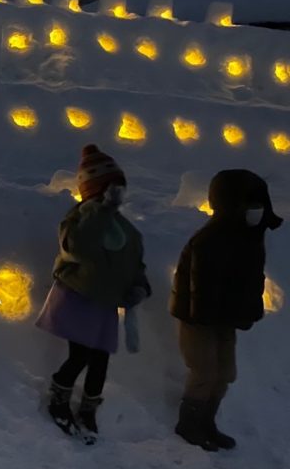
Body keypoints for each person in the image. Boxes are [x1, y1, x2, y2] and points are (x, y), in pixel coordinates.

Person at [36, 145, 151, 444]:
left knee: (101, 359)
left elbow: (134, 261)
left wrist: (139, 286)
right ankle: (58, 399)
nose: (117, 195)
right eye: (111, 189)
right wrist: (101, 211)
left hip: (106, 302)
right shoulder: (79, 219)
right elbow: (77, 246)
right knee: (81, 354)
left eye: (119, 189)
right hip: (80, 296)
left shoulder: (126, 229)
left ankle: (89, 409)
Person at [170, 169, 282, 451]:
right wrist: (207, 318)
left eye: (260, 205)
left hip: (225, 319)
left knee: (225, 373)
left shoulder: (251, 239)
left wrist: (249, 311)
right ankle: (189, 424)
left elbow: (252, 282)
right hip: (199, 320)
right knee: (204, 371)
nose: (257, 212)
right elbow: (200, 289)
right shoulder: (209, 240)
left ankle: (207, 421)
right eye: (250, 205)